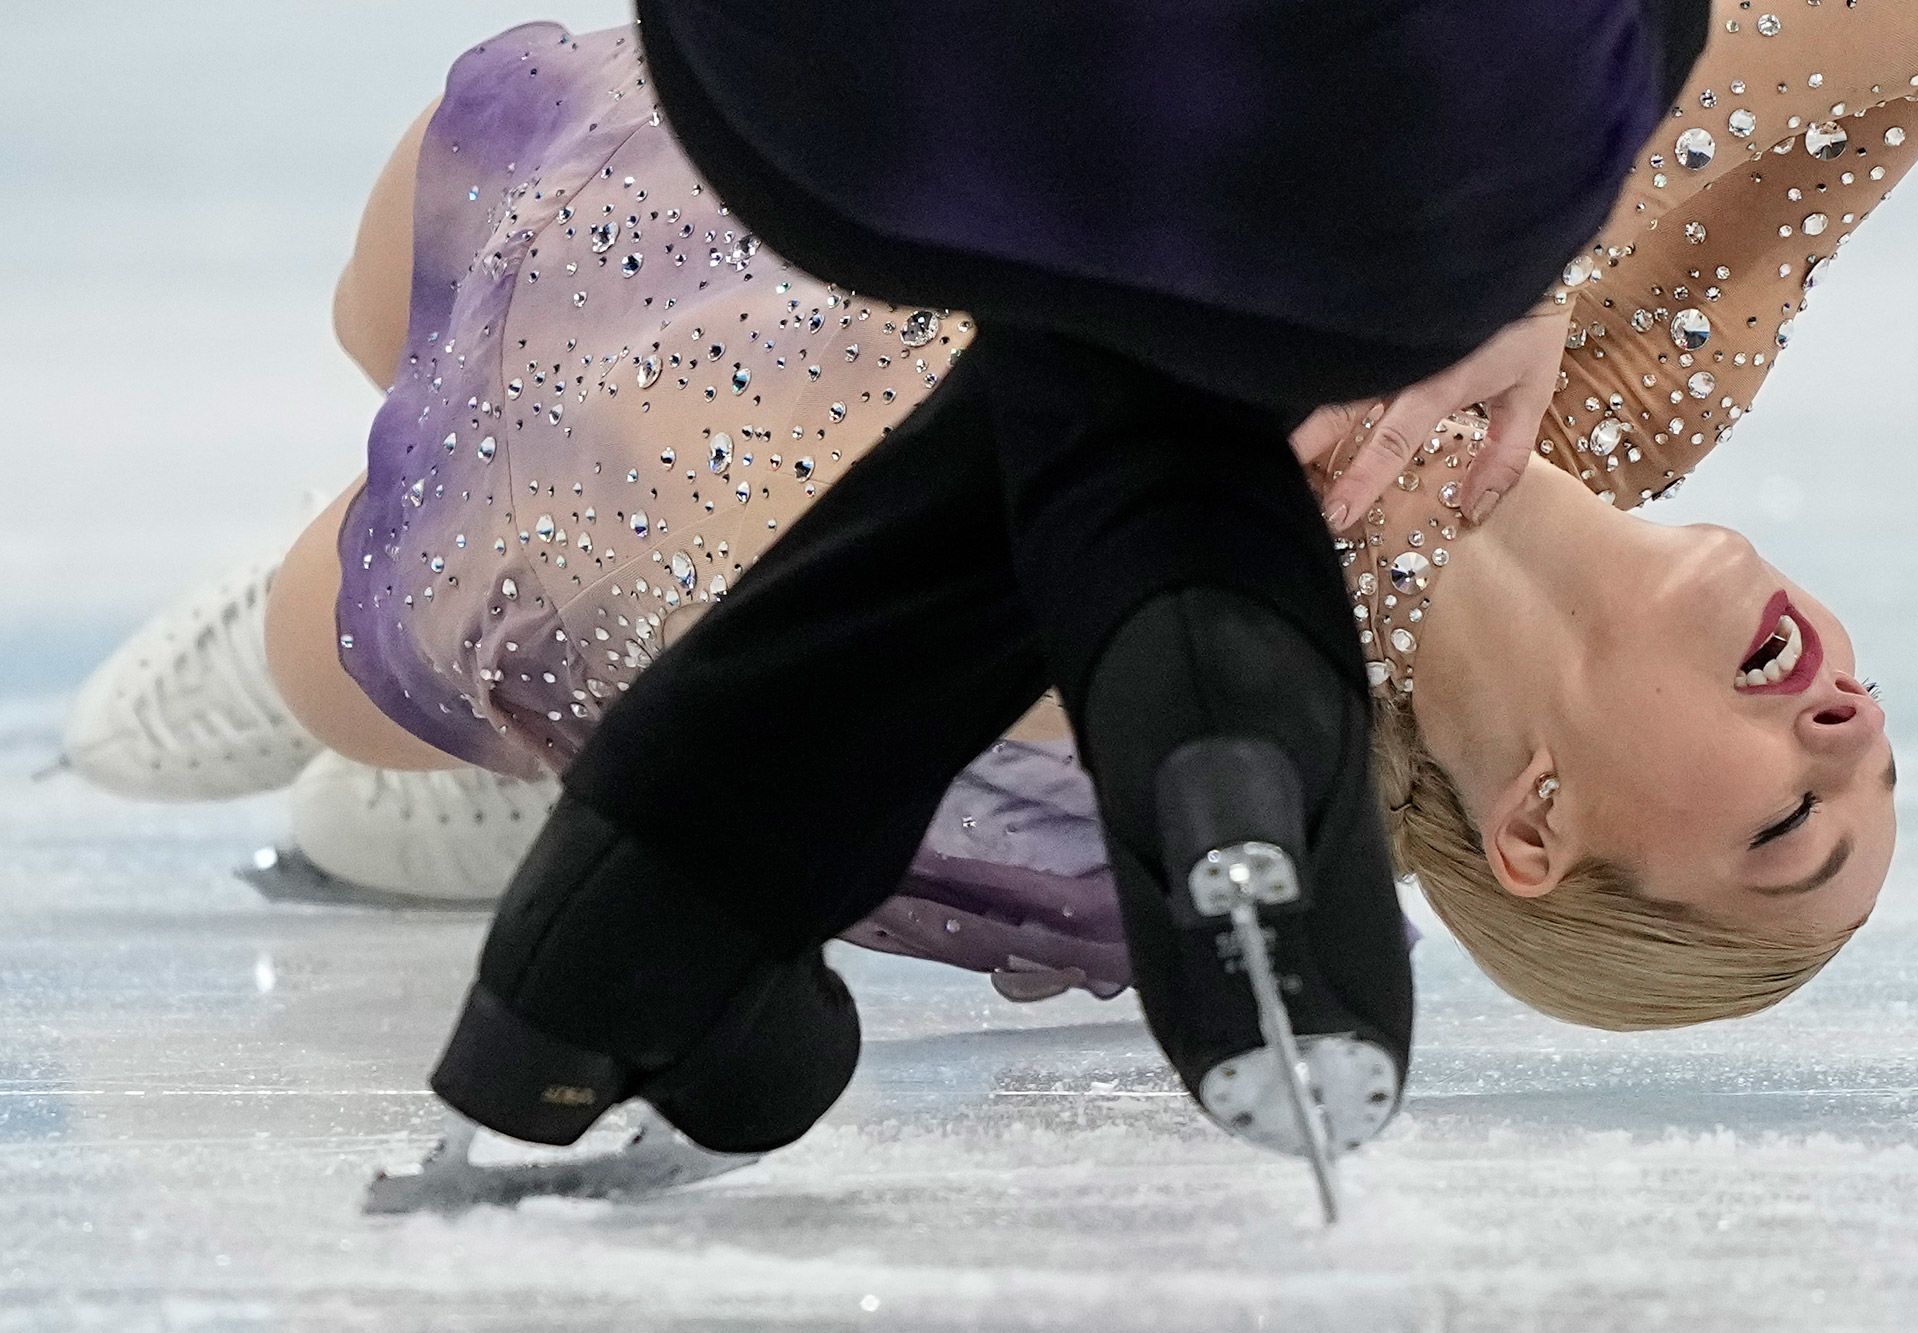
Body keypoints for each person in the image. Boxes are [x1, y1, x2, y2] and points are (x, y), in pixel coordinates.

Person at [75, 3, 1745, 1198]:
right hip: (838, 176)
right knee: (1150, 356)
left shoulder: (1538, 273)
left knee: (1145, 320)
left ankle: (598, 865)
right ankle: (645, 907)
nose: (1853, 721)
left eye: (1792, 825)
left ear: (1538, 830)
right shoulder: (1618, 356)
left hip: (807, 120)